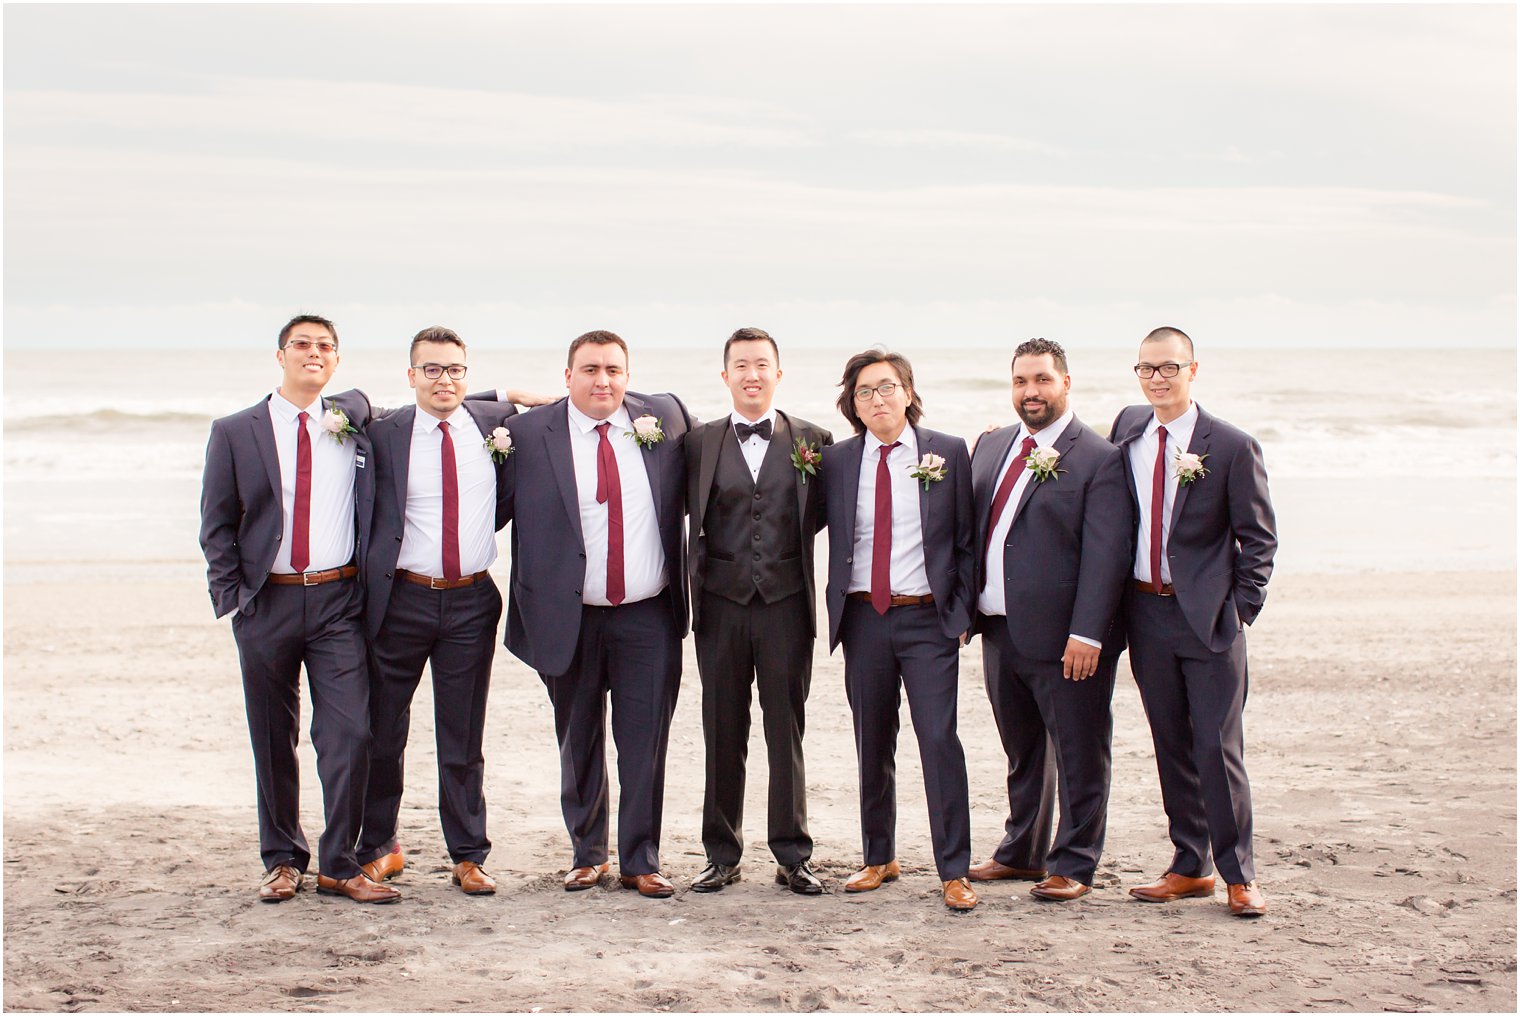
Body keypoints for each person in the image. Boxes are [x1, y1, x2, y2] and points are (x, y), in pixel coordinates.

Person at [199, 314, 398, 903]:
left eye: (326, 346)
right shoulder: (236, 430)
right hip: (268, 602)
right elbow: (216, 524)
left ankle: (339, 863)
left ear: (336, 361)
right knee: (272, 735)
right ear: (281, 355)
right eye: (303, 345)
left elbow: (429, 407)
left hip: (340, 601)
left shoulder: (352, 419)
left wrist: (506, 397)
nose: (315, 353)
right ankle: (283, 858)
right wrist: (235, 596)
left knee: (350, 733)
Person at [500, 330, 692, 898]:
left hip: (648, 615)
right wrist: (505, 391)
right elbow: (460, 412)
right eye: (589, 370)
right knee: (577, 739)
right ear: (567, 378)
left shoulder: (666, 417)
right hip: (569, 616)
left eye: (612, 369)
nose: (602, 380)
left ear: (628, 375)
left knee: (644, 742)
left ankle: (640, 858)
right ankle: (588, 853)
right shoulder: (528, 432)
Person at [1110, 326, 1277, 918]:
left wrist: (1239, 611)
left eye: (1169, 368)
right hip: (1144, 612)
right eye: (1147, 369)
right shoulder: (1128, 429)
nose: (1157, 378)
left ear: (1192, 370)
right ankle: (1189, 865)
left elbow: (1258, 540)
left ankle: (1238, 874)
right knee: (1171, 743)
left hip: (1208, 620)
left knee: (1216, 747)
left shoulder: (1230, 445)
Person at [967, 338, 1132, 902]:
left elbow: (1106, 557)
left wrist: (1089, 633)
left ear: (1065, 383)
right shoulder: (989, 447)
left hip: (1068, 638)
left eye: (1041, 380)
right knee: (1023, 749)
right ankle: (1022, 852)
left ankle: (1075, 862)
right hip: (999, 629)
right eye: (1020, 382)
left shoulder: (1099, 458)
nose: (1030, 392)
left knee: (1081, 749)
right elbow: (977, 536)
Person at [354, 327, 518, 896]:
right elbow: (341, 405)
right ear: (411, 376)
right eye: (432, 369)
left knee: (462, 734)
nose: (444, 379)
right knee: (383, 730)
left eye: (454, 370)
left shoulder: (493, 425)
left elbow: (549, 413)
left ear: (467, 377)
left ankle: (468, 854)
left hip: (472, 600)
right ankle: (378, 847)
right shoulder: (385, 431)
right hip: (401, 599)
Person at [822, 349, 978, 912]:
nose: (877, 399)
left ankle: (953, 870)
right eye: (864, 392)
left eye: (887, 387)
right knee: (873, 741)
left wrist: (959, 615)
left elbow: (967, 539)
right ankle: (878, 856)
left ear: (908, 392)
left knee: (938, 740)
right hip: (864, 618)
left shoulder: (949, 453)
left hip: (927, 619)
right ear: (853, 404)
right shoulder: (838, 462)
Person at [684, 328, 833, 896]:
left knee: (785, 731)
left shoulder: (814, 440)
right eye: (741, 364)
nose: (752, 373)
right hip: (719, 608)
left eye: (762, 364)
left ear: (778, 373)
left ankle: (792, 854)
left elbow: (833, 508)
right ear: (725, 376)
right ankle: (721, 853)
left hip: (785, 606)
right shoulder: (698, 444)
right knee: (722, 730)